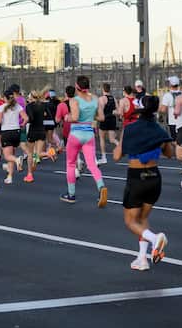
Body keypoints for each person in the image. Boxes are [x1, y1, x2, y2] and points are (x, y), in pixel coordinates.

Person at [115, 94, 173, 270]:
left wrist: (121, 144)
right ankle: (142, 259)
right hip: (155, 178)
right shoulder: (159, 130)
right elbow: (170, 154)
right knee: (143, 218)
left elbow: (117, 156)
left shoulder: (130, 129)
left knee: (131, 222)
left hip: (137, 177)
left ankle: (155, 239)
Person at [61, 77, 108, 206]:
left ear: (77, 87)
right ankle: (101, 186)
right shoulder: (95, 99)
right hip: (89, 133)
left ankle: (71, 194)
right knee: (92, 164)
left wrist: (67, 117)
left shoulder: (74, 100)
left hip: (76, 134)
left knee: (70, 164)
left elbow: (75, 117)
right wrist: (91, 115)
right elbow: (101, 117)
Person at [0, 89, 28, 184]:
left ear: (5, 98)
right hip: (16, 132)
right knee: (11, 154)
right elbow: (26, 118)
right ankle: (9, 177)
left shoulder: (1, 107)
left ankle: (17, 159)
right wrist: (22, 124)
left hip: (6, 132)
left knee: (7, 156)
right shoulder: (17, 106)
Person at [97, 82, 118, 165]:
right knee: (112, 139)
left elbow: (100, 110)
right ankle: (120, 146)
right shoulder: (114, 98)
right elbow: (117, 109)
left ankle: (103, 157)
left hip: (104, 119)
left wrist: (97, 118)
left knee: (102, 138)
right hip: (112, 119)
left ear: (103, 89)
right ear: (109, 89)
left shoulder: (101, 99)